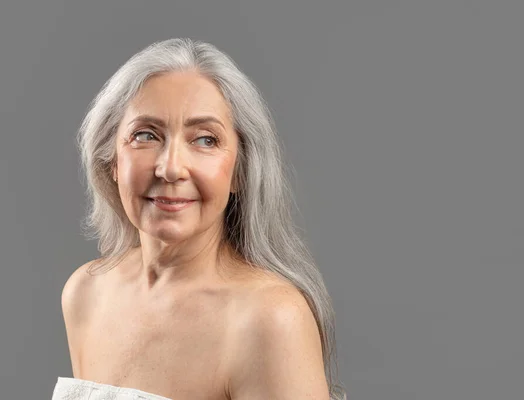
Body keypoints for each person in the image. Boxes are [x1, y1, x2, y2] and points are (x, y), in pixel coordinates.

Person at [53, 38, 346, 400]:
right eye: (145, 135)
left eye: (205, 140)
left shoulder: (269, 320)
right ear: (112, 161)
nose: (171, 168)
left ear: (240, 171)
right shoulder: (85, 293)